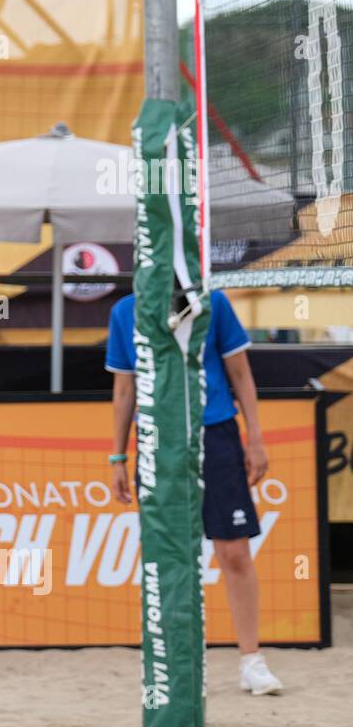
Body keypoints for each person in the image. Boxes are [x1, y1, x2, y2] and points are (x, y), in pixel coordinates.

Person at [106, 288, 283, 695]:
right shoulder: (125, 312)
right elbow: (123, 389)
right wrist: (117, 457)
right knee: (169, 554)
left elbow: (240, 373)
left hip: (216, 432)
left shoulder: (212, 302)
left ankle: (251, 661)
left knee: (233, 551)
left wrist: (255, 438)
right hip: (157, 440)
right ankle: (179, 666)